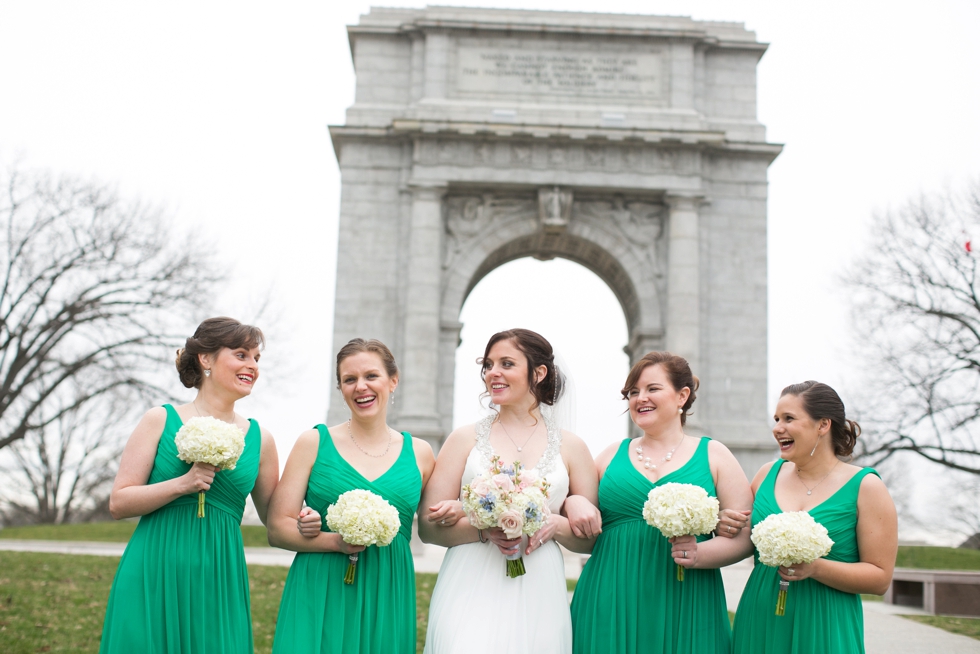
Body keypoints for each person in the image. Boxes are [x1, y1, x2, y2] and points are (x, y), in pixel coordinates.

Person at [100, 317, 291, 653]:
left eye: (256, 359)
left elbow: (275, 517)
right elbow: (119, 502)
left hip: (221, 578)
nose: (252, 366)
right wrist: (182, 484)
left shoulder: (262, 440)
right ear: (206, 359)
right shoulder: (159, 419)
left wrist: (304, 515)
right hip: (154, 571)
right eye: (242, 354)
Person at [419, 328, 600, 654]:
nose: (493, 374)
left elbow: (590, 540)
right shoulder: (463, 439)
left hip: (538, 586)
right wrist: (483, 530)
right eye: (488, 365)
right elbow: (429, 528)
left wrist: (555, 523)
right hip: (469, 580)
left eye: (506, 363)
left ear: (539, 372)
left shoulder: (572, 447)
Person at [570, 351, 754, 654]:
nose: (640, 398)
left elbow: (744, 538)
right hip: (611, 592)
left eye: (652, 388)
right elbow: (580, 523)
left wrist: (699, 554)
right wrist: (574, 501)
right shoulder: (609, 456)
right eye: (633, 392)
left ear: (682, 396)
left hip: (688, 597)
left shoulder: (715, 455)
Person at [268, 338, 435, 653]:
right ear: (340, 387)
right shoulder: (313, 443)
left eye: (371, 376)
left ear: (393, 380)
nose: (361, 386)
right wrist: (334, 541)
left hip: (388, 587)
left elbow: (432, 527)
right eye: (349, 379)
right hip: (321, 585)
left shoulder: (421, 454)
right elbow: (277, 528)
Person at [731, 381, 897, 654]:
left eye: (789, 419)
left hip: (824, 623)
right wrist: (726, 522)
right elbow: (741, 538)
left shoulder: (866, 487)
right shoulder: (766, 475)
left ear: (823, 425)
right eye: (776, 419)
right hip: (759, 615)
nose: (777, 428)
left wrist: (816, 568)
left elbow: (879, 578)